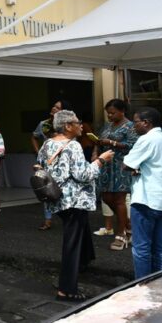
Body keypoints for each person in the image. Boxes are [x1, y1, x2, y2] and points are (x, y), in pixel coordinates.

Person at [37, 110, 113, 302]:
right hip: (74, 200)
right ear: (68, 126)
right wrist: (101, 160)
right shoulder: (74, 146)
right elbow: (83, 175)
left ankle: (84, 262)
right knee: (71, 244)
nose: (81, 125)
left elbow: (39, 165)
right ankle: (67, 289)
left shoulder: (47, 143)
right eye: (78, 122)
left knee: (81, 232)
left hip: (58, 199)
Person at [123, 107, 162, 279]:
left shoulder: (147, 139)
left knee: (141, 247)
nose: (133, 127)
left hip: (145, 200)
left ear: (146, 123)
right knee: (159, 247)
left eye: (135, 122)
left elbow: (127, 164)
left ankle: (143, 287)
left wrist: (133, 166)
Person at [93, 99, 138, 251]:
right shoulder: (107, 125)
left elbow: (132, 146)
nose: (109, 116)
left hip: (121, 166)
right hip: (106, 166)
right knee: (106, 197)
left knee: (119, 199)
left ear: (122, 111)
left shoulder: (130, 126)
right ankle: (128, 225)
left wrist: (112, 143)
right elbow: (99, 141)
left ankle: (121, 234)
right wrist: (95, 152)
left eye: (112, 113)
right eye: (108, 113)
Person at [31, 100, 70, 230]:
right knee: (46, 188)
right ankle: (47, 220)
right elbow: (34, 137)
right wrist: (38, 153)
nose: (54, 108)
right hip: (46, 161)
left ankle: (67, 216)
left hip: (62, 161)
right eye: (54, 105)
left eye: (58, 107)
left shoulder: (67, 125)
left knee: (63, 187)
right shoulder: (44, 124)